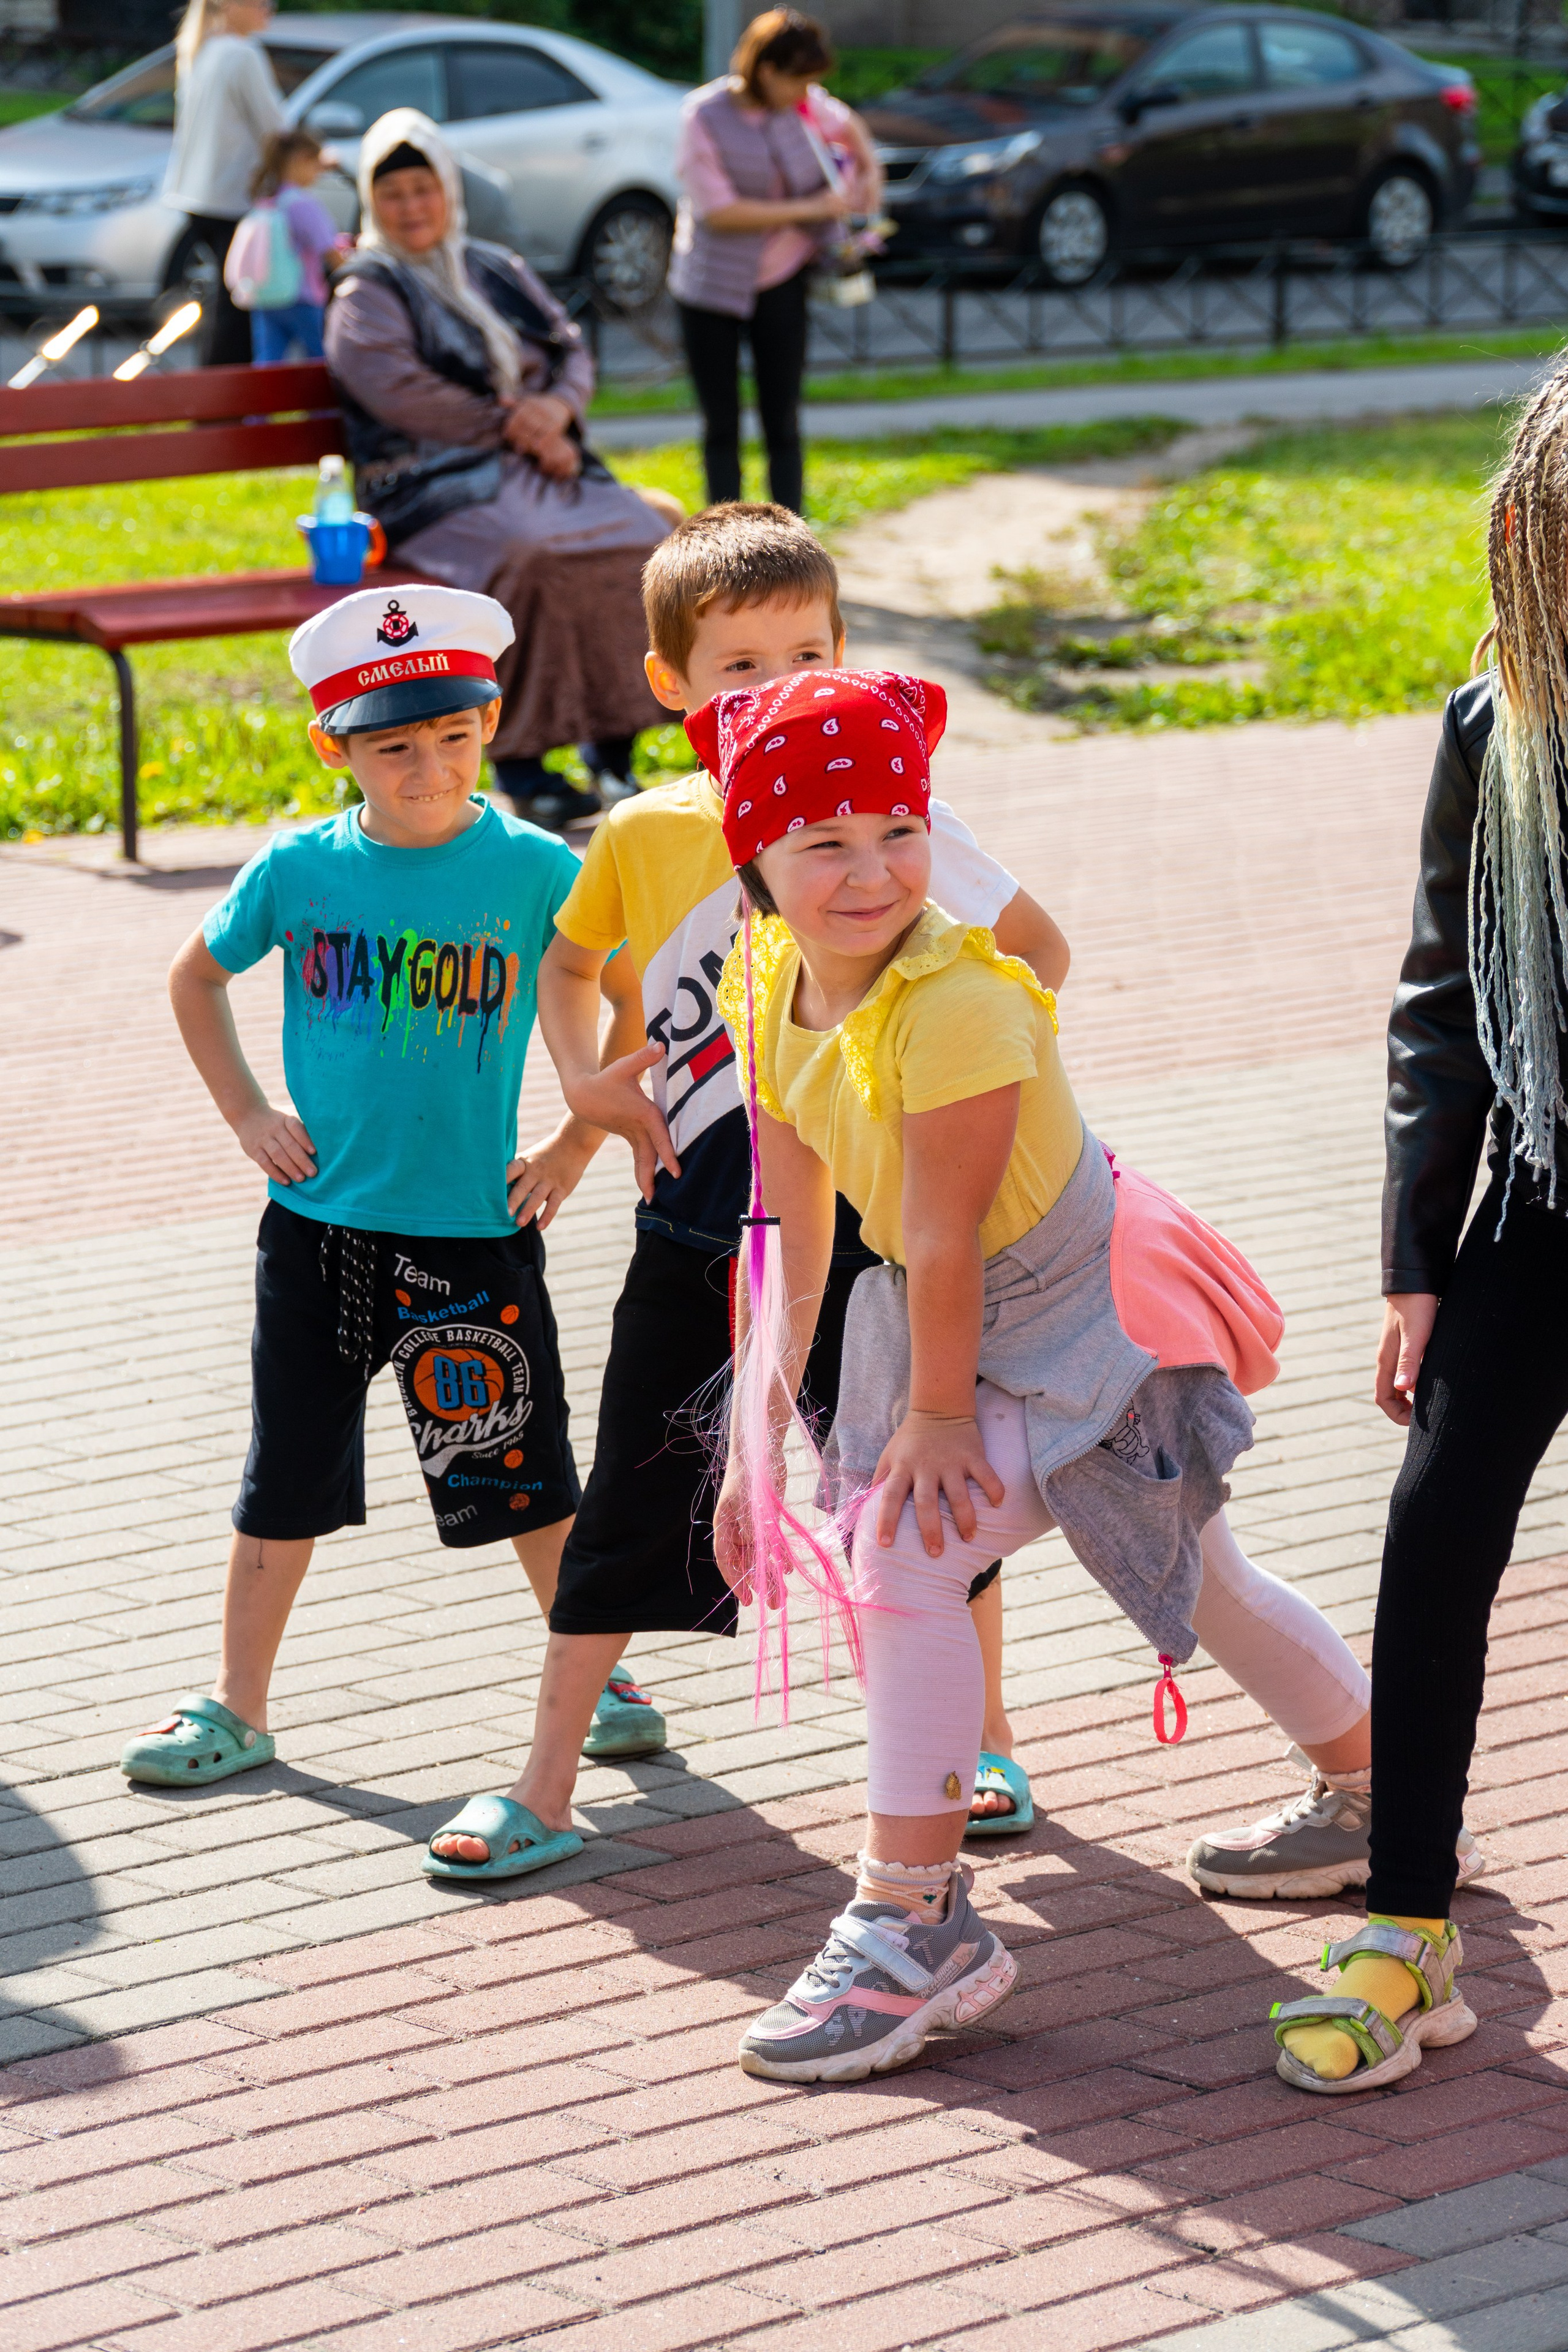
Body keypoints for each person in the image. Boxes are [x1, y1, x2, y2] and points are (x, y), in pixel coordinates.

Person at [703, 668, 1443, 2084]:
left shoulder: (961, 999)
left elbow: (935, 1238)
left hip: (1079, 1310)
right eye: (822, 842)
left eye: (896, 831)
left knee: (906, 1557)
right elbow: (793, 1235)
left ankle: (914, 1924)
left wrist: (926, 1420)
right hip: (966, 1307)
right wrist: (754, 1437)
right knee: (1201, 1573)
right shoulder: (764, 982)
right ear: (754, 862)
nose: (870, 873)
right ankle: (1385, 1806)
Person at [422, 503, 1063, 1877]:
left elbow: (1037, 957)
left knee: (924, 1491)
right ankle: (544, 1777)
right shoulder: (651, 832)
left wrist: (930, 1077)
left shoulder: (896, 808)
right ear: (669, 684)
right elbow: (578, 966)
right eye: (739, 666)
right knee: (633, 1497)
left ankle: (988, 1740)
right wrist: (586, 1097)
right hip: (702, 1226)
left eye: (808, 650)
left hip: (875, 1238)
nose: (777, 687)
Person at [118, 586, 633, 1849]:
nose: (427, 766)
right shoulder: (297, 867)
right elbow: (193, 976)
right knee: (281, 1471)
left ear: (492, 720)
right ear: (333, 748)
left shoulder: (535, 871)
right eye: (392, 743)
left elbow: (636, 996)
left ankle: (603, 1682)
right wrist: (246, 1112)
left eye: (453, 735)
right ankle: (239, 1706)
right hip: (317, 1233)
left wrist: (577, 1134)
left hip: (469, 1232)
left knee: (520, 1475)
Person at [1265, 367, 1568, 2095]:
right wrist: (1414, 1261)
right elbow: (1440, 1002)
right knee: (1435, 1527)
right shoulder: (1492, 733)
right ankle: (1406, 1920)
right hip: (1542, 1195)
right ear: (1528, 554)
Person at [325, 108, 678, 832]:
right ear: (371, 202)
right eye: (394, 195)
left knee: (647, 537)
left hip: (534, 464)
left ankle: (614, 753)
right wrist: (515, 425)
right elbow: (396, 390)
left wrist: (554, 411)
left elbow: (570, 349)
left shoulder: (493, 268)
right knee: (532, 555)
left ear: (450, 190)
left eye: (425, 189)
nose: (412, 207)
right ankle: (523, 764)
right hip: (432, 485)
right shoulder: (366, 292)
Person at [669, 10, 882, 515]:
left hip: (783, 278)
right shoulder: (704, 116)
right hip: (711, 286)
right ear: (767, 70)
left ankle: (792, 545)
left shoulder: (801, 107)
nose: (808, 93)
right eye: (799, 80)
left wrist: (868, 168)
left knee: (782, 421)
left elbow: (848, 126)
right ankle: (724, 552)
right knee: (722, 425)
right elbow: (719, 211)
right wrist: (811, 209)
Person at [163, 0, 287, 368]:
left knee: (227, 302)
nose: (269, 8)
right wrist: (312, 158)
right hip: (233, 199)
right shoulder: (242, 53)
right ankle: (225, 402)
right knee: (240, 307)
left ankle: (217, 400)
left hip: (196, 197)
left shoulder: (200, 49)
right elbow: (274, 129)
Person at [243, 128, 346, 364]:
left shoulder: (267, 201)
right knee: (321, 360)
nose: (319, 173)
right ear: (302, 160)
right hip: (303, 296)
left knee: (269, 361)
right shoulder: (303, 204)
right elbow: (329, 251)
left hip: (267, 296)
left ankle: (266, 402)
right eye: (316, 165)